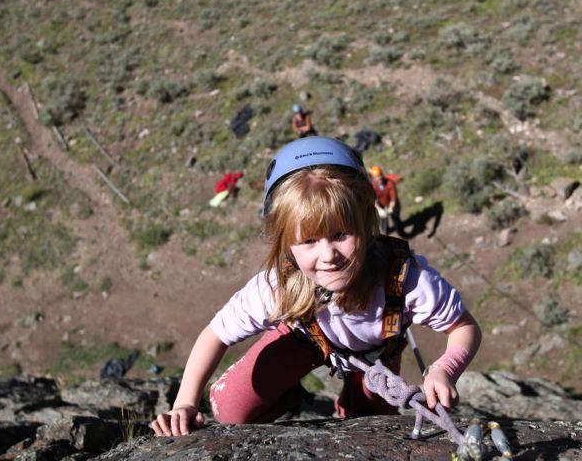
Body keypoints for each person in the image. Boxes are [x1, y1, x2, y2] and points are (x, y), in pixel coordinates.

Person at [151, 137, 481, 436]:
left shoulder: (404, 278)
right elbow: (216, 334)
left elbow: (463, 327)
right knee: (230, 409)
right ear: (286, 245)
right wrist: (185, 403)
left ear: (366, 224)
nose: (328, 255)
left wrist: (444, 370)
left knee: (365, 421)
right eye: (308, 240)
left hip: (376, 355)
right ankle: (290, 393)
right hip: (305, 337)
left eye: (340, 234)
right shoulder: (279, 285)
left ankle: (350, 397)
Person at [369, 165, 399, 235]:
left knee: (395, 218)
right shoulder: (373, 186)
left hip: (391, 204)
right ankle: (384, 233)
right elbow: (373, 199)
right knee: (383, 220)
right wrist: (379, 209)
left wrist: (391, 207)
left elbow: (393, 198)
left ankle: (399, 230)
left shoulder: (389, 183)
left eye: (380, 177)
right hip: (381, 205)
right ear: (373, 179)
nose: (379, 179)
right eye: (377, 178)